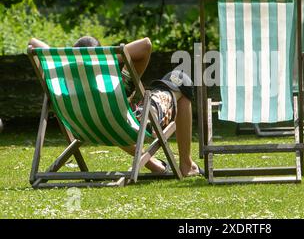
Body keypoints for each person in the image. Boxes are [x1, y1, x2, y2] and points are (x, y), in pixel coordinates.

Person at [28, 36, 202, 177]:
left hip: (89, 129)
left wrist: (71, 59)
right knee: (180, 78)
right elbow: (146, 44)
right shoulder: (117, 84)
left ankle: (155, 165)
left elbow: (33, 43)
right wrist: (105, 58)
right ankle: (186, 164)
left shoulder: (63, 86)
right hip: (139, 123)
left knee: (110, 117)